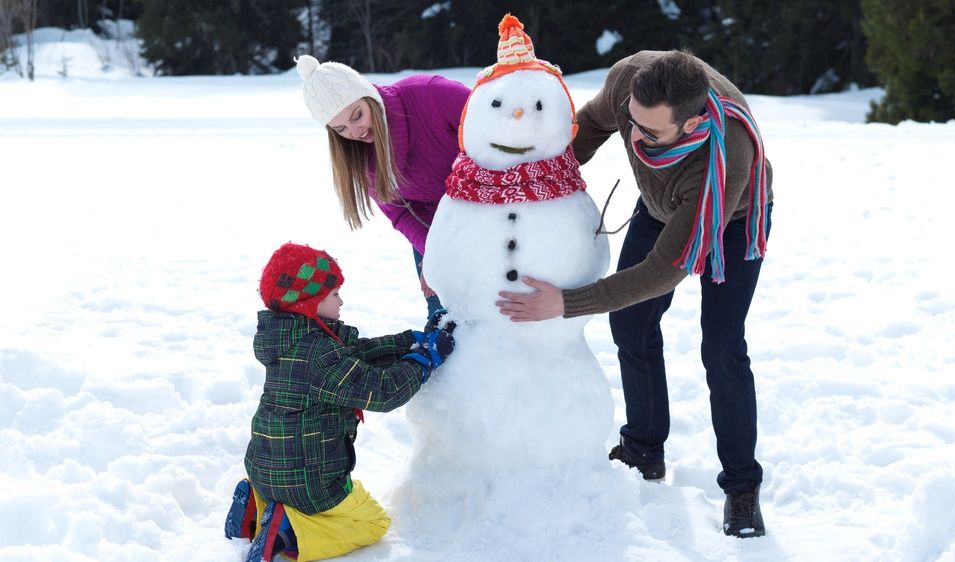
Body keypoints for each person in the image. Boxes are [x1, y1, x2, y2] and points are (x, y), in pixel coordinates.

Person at [495, 50, 774, 538]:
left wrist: (567, 302)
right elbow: (592, 126)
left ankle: (742, 486)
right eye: (635, 124)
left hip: (729, 218)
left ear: (690, 124)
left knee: (722, 347)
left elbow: (664, 271)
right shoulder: (630, 82)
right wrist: (542, 181)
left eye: (652, 133)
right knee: (630, 325)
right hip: (660, 203)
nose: (638, 138)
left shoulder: (726, 152)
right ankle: (643, 449)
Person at [224, 242, 456, 561]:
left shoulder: (291, 341)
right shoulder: (318, 355)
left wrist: (410, 340)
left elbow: (356, 354)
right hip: (308, 482)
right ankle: (290, 530)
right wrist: (423, 359)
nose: (341, 301)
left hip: (265, 472)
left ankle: (258, 505)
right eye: (334, 295)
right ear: (310, 303)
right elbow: (382, 391)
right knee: (372, 520)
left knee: (306, 492)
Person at [295, 54, 471, 320]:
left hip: (502, 210)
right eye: (340, 128)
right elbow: (401, 212)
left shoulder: (430, 94)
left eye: (357, 116)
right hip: (435, 233)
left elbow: (497, 132)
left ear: (369, 96)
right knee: (447, 319)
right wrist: (435, 253)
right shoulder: (360, 157)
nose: (355, 132)